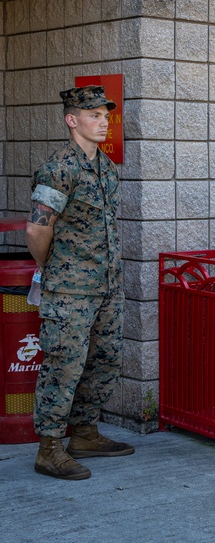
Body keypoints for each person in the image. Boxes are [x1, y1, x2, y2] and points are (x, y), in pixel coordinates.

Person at [25, 85, 134, 480]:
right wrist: (52, 267)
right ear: (73, 120)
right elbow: (37, 229)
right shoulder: (59, 167)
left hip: (106, 286)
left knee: (103, 360)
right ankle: (49, 447)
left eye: (105, 116)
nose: (103, 122)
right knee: (63, 366)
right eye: (94, 116)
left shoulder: (105, 167)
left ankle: (85, 433)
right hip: (69, 288)